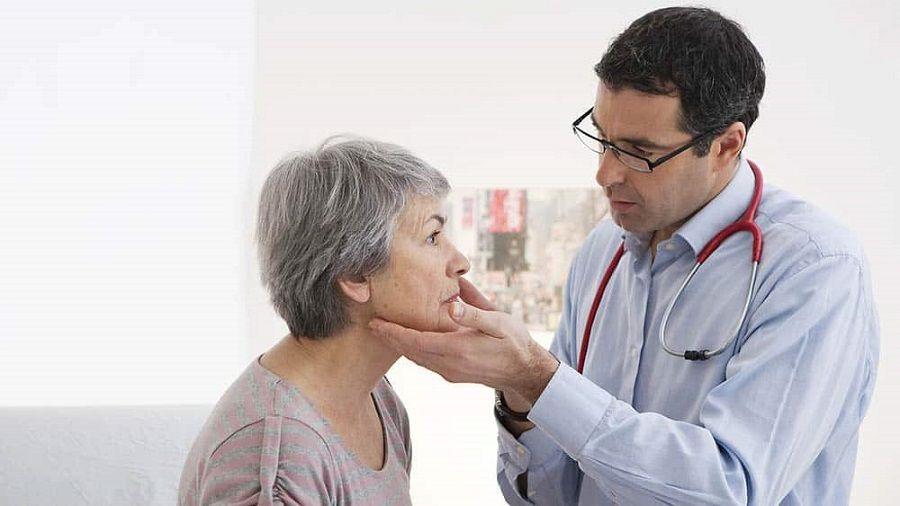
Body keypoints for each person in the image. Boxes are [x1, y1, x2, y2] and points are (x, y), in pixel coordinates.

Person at [370, 7, 879, 505]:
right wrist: (521, 393)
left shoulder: (814, 270)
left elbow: (731, 488)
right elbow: (556, 494)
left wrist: (539, 376)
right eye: (602, 139)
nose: (605, 174)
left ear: (726, 146)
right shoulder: (603, 249)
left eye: (638, 153)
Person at [178, 136, 470, 505]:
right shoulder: (282, 459)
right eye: (432, 237)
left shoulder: (377, 398)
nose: (461, 263)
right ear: (356, 274)